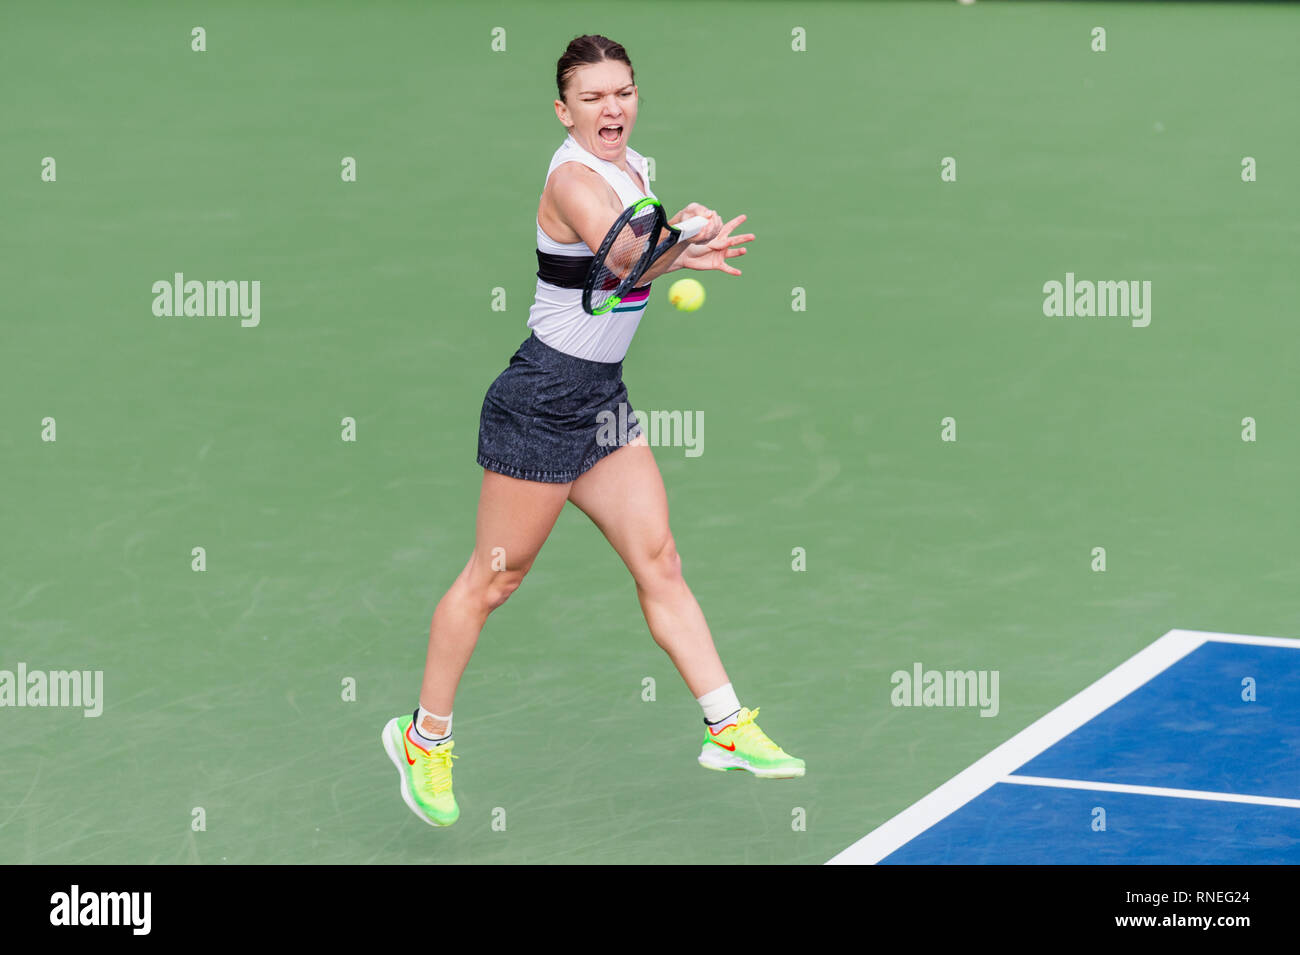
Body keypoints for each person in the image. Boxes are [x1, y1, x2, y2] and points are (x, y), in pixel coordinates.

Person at [381, 34, 804, 828]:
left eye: (623, 92)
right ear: (563, 110)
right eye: (593, 97)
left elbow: (633, 262)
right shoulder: (573, 180)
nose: (613, 108)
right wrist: (684, 237)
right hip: (541, 401)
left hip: (602, 400)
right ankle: (423, 738)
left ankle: (726, 725)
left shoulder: (634, 168)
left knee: (659, 559)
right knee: (493, 580)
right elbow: (624, 258)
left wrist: (683, 252)